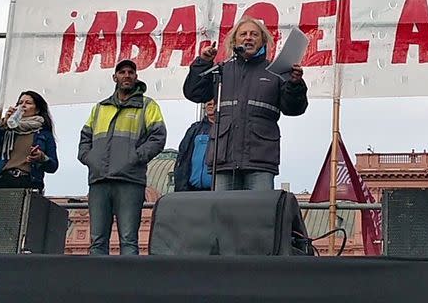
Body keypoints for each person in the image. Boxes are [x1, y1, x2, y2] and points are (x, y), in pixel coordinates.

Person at [183, 16, 308, 191]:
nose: (248, 37)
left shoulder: (276, 72)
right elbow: (194, 93)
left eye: (254, 34)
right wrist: (202, 63)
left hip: (260, 160)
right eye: (243, 34)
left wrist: (295, 85)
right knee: (224, 215)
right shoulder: (221, 70)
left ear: (263, 40)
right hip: (223, 160)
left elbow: (294, 109)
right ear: (235, 40)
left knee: (258, 216)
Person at [78, 59, 167, 255]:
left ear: (136, 77)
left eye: (130, 72)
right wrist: (89, 158)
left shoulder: (147, 106)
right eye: (122, 72)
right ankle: (97, 284)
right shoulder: (100, 108)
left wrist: (135, 158)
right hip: (99, 180)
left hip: (130, 181)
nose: (126, 75)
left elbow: (158, 137)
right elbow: (85, 137)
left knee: (128, 240)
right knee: (97, 241)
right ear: (115, 77)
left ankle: (129, 284)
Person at [0, 91, 59, 192]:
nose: (23, 105)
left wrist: (41, 157)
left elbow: (53, 166)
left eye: (28, 103)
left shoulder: (44, 134)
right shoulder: (7, 129)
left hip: (28, 182)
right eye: (20, 103)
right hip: (3, 181)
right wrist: (2, 125)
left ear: (37, 110)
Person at [174, 100, 215, 192]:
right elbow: (183, 158)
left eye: (214, 102)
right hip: (193, 190)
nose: (210, 104)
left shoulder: (226, 129)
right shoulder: (195, 129)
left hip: (216, 192)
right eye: (208, 102)